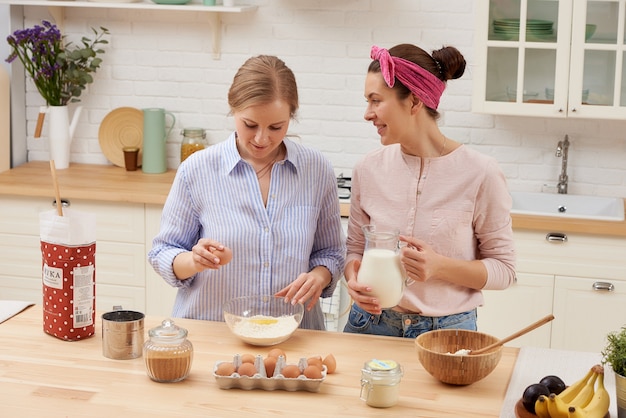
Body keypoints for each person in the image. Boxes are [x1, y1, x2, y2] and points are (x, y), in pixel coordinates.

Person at [148, 55, 346, 330]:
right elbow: (162, 252)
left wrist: (320, 277)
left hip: (294, 335)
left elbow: (332, 253)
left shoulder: (316, 170)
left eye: (276, 127)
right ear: (233, 110)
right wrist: (194, 260)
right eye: (250, 125)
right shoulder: (197, 170)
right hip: (213, 332)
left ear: (291, 117)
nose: (261, 138)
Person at [342, 44, 516, 338]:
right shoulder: (368, 168)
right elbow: (355, 250)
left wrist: (440, 267)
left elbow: (504, 271)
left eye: (375, 101)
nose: (367, 114)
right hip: (370, 325)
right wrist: (353, 280)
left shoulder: (480, 173)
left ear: (413, 102)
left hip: (448, 333)